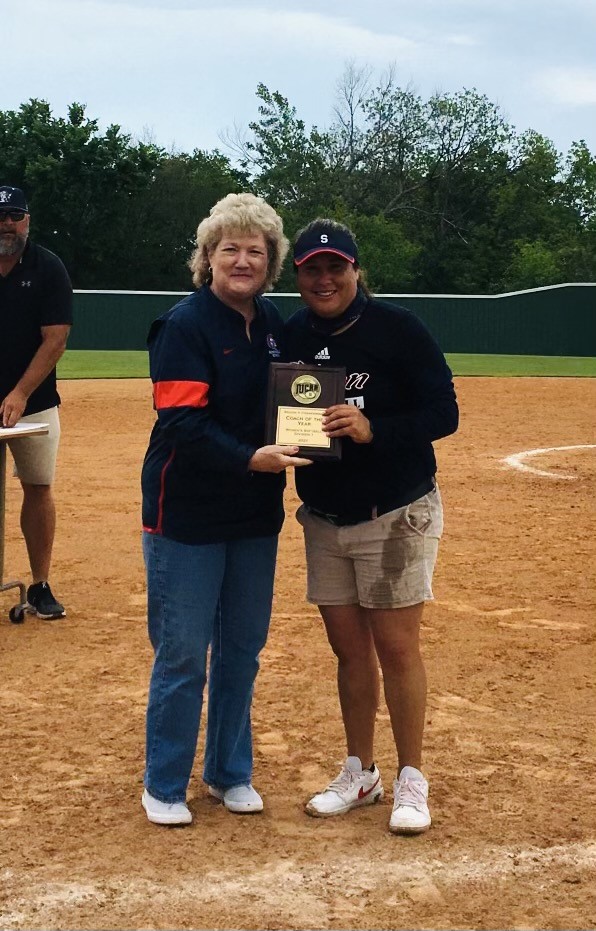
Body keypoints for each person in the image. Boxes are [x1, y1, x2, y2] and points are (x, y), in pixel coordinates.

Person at [140, 193, 311, 826]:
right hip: (185, 513)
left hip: (252, 515)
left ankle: (228, 771)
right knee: (183, 652)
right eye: (230, 249)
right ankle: (163, 782)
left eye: (256, 251)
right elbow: (183, 423)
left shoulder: (275, 325)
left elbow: (299, 402)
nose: (243, 260)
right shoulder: (183, 326)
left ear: (271, 262)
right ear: (208, 256)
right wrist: (251, 459)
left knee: (241, 648)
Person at [285, 219, 459, 835]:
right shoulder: (290, 335)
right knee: (349, 650)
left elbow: (445, 412)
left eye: (336, 266)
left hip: (394, 511)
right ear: (298, 274)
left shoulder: (399, 329)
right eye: (312, 268)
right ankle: (361, 771)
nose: (324, 278)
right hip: (324, 517)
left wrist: (372, 426)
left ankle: (412, 776)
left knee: (397, 647)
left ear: (357, 271)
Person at [0, 185, 72, 620]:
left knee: (38, 486)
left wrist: (20, 393)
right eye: (1, 215)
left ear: (27, 220)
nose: (7, 223)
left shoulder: (48, 267)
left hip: (36, 400)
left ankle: (40, 585)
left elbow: (56, 338)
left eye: (15, 215)